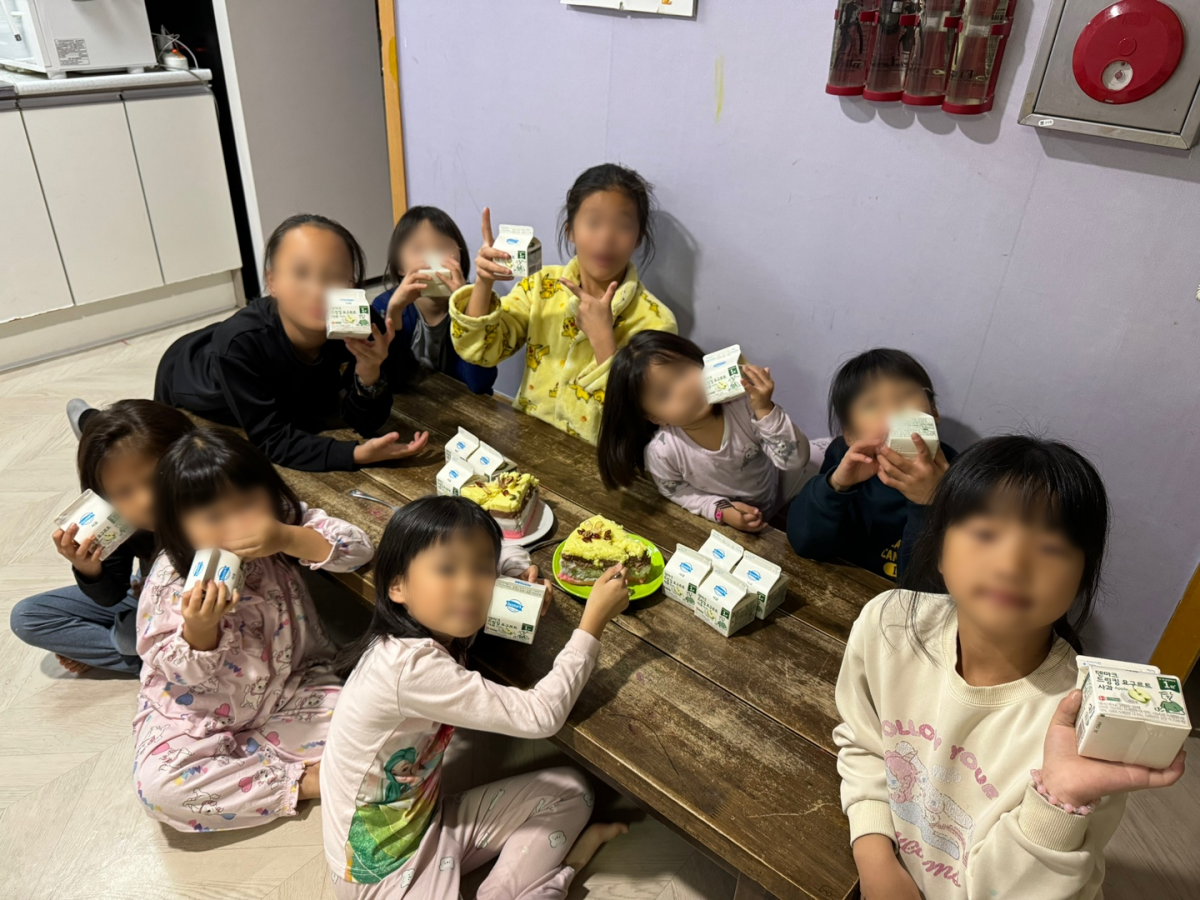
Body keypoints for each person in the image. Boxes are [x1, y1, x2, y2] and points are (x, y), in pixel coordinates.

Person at [836, 435, 1186, 900]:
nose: (1012, 563)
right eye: (986, 533)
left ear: (1082, 578)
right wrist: (875, 858)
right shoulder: (889, 624)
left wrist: (1060, 801)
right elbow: (864, 744)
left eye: (1051, 546)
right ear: (939, 549)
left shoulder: (1091, 724)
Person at [322, 496, 631, 898]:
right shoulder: (409, 667)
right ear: (397, 586)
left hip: (425, 821)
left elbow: (506, 549)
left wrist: (516, 573)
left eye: (482, 570)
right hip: (376, 870)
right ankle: (569, 865)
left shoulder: (431, 629)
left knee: (572, 789)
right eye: (447, 570)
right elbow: (540, 716)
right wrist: (592, 624)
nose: (469, 586)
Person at [132, 428, 373, 832]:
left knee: (379, 723)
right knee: (160, 790)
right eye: (213, 518)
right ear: (179, 527)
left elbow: (357, 548)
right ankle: (303, 781)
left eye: (247, 505)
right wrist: (200, 628)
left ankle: (257, 758)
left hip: (292, 691)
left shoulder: (282, 525)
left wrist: (289, 536)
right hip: (198, 715)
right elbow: (174, 670)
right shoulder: (170, 579)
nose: (236, 524)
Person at [154, 213, 428, 472]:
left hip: (282, 379)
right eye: (300, 273)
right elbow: (271, 438)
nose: (318, 290)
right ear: (272, 282)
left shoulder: (358, 321)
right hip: (195, 374)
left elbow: (366, 422)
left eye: (335, 275)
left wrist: (370, 373)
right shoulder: (238, 345)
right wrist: (354, 454)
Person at [449, 163, 677, 444]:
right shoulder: (541, 285)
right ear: (570, 231)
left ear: (638, 238)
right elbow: (480, 350)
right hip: (528, 444)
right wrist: (484, 283)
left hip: (600, 461)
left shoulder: (656, 320)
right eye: (593, 222)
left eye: (623, 226)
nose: (606, 237)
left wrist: (603, 339)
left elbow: (644, 413)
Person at [11, 400, 195, 675]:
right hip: (151, 591)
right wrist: (89, 569)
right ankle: (151, 656)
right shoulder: (121, 518)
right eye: (124, 492)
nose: (145, 500)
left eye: (154, 480)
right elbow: (112, 595)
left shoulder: (210, 506)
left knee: (128, 639)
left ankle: (146, 658)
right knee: (27, 616)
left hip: (195, 607)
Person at [597, 331, 810, 533]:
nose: (684, 390)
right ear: (655, 417)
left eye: (682, 372)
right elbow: (678, 491)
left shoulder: (744, 407)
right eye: (664, 395)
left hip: (779, 491)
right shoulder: (663, 453)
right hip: (734, 527)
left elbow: (795, 460)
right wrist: (721, 510)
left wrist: (765, 409)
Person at [787, 348, 957, 579]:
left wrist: (929, 502)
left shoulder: (957, 471)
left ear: (933, 411)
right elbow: (806, 543)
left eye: (907, 394)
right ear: (850, 435)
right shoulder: (842, 459)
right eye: (870, 404)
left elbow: (932, 586)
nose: (894, 410)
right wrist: (836, 485)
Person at [371, 205, 497, 394]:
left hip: (463, 403)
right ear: (400, 267)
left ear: (461, 259)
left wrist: (466, 314)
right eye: (418, 249)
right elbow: (391, 380)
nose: (432, 259)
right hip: (411, 402)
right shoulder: (385, 305)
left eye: (443, 247)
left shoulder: (477, 305)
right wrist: (394, 312)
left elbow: (478, 384)